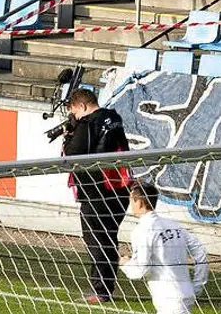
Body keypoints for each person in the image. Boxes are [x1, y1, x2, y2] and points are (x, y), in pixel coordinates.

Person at [62, 88, 131, 304]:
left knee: (97, 240)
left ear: (82, 106)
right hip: (119, 189)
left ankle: (101, 290)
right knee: (108, 239)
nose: (75, 117)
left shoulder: (88, 123)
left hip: (97, 190)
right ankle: (105, 288)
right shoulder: (114, 117)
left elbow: (73, 155)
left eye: (75, 112)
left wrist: (68, 138)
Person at [122, 182, 209, 314]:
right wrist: (197, 286)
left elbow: (141, 270)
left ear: (139, 202)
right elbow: (201, 253)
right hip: (185, 293)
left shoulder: (142, 231)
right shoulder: (173, 224)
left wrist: (124, 263)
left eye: (131, 201)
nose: (130, 206)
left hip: (168, 298)